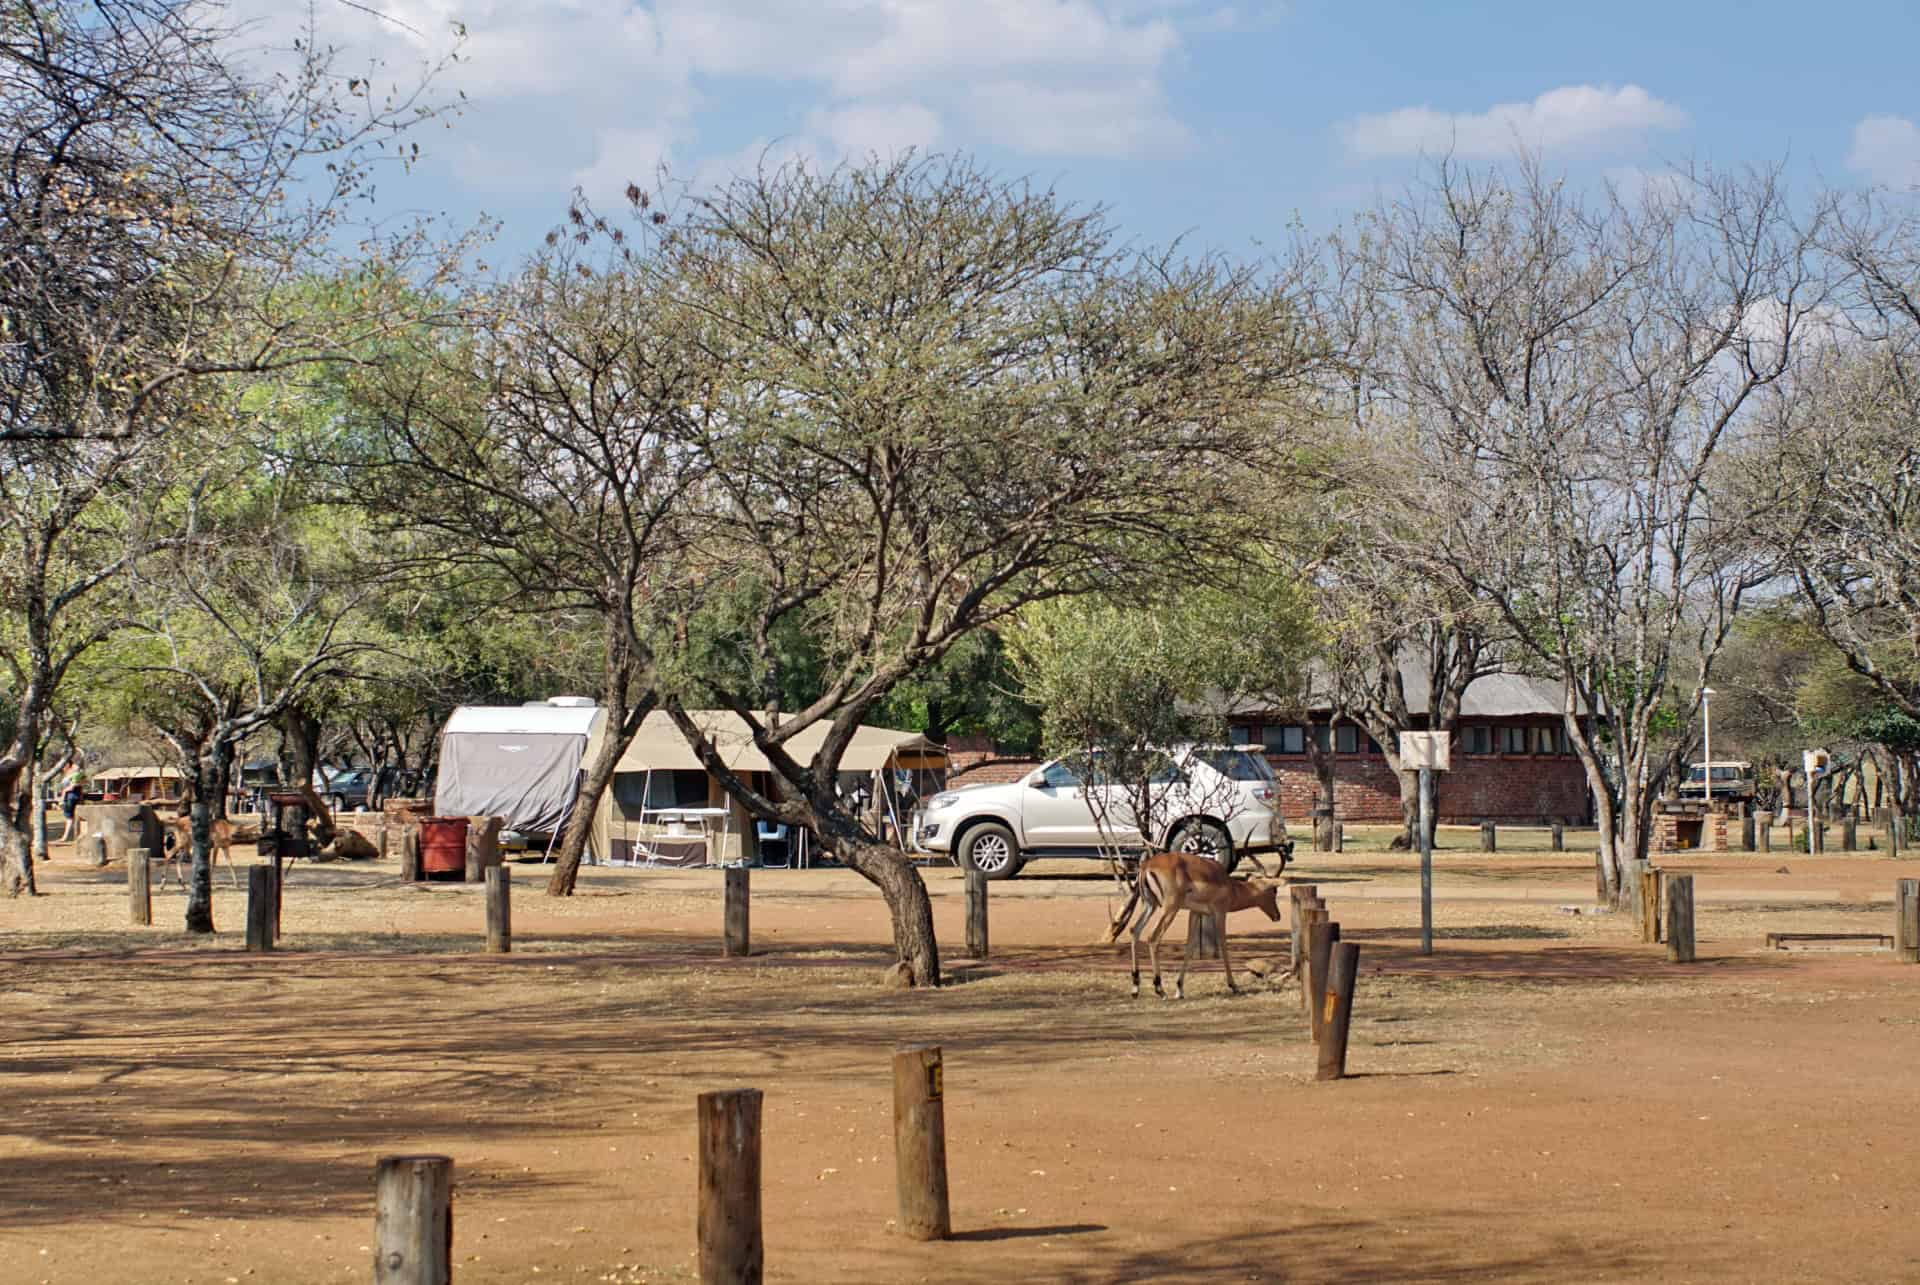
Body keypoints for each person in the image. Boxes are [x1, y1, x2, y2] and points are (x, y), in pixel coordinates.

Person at [57, 771, 83, 843]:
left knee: (70, 818)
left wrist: (64, 793)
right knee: (73, 818)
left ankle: (66, 837)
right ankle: (74, 836)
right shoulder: (76, 774)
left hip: (70, 798)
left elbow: (72, 787)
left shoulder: (75, 774)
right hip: (73, 798)